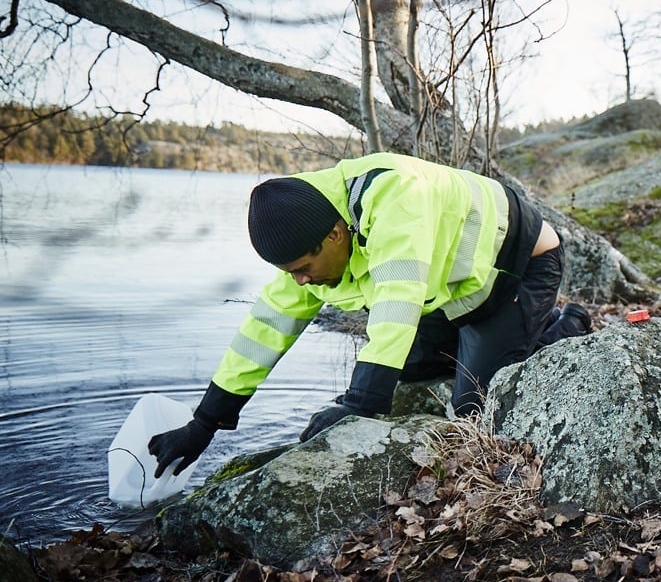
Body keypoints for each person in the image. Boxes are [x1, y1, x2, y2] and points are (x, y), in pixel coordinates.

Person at [148, 151, 591, 477]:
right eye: (290, 273)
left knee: (472, 406)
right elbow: (266, 327)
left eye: (303, 270)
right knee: (410, 369)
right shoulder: (309, 223)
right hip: (456, 291)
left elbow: (398, 299)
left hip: (518, 268)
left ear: (337, 234)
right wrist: (205, 421)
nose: (299, 281)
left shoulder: (394, 198)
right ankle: (509, 337)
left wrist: (359, 404)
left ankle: (562, 328)